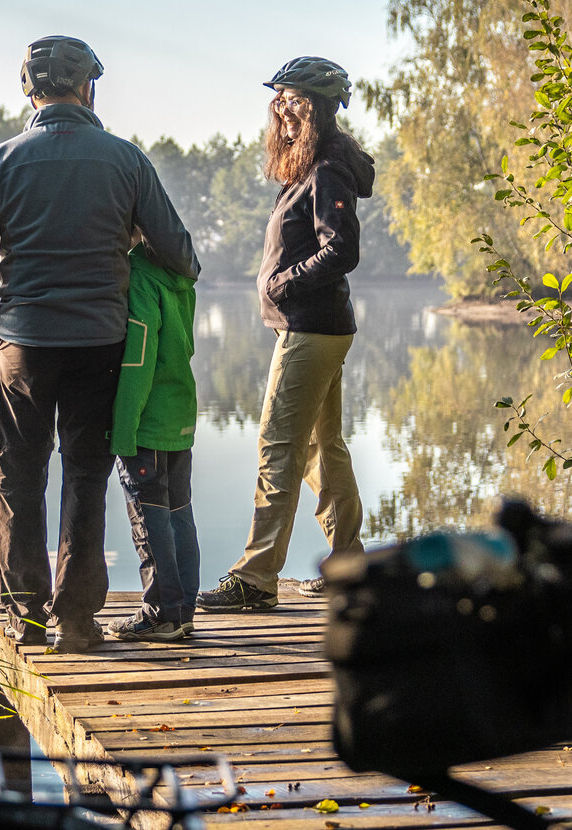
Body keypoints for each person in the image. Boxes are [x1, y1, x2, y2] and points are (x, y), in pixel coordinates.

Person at [0, 35, 200, 653]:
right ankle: (80, 621)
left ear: (29, 89)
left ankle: (28, 614)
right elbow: (180, 254)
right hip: (102, 344)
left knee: (18, 477)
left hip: (24, 344)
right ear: (88, 87)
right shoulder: (126, 160)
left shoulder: (1, 160)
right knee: (85, 476)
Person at [197, 56, 374, 613]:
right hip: (318, 326)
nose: (282, 108)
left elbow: (341, 249)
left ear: (319, 108)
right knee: (323, 447)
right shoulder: (311, 166)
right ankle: (350, 566)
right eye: (278, 98)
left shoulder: (326, 170)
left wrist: (282, 283)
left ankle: (254, 577)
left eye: (294, 99)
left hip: (309, 328)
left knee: (278, 446)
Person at [105, 244, 201, 642]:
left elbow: (138, 358)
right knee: (179, 515)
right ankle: (182, 611)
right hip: (179, 413)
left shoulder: (140, 277)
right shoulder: (180, 275)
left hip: (147, 421)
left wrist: (123, 429)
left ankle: (161, 613)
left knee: (150, 518)